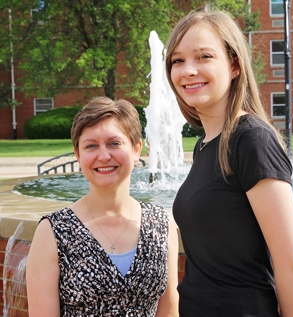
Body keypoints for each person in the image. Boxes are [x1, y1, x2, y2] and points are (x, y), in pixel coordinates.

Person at [165, 9, 293, 317]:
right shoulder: (204, 146)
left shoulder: (251, 140)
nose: (188, 70)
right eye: (178, 60)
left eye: (204, 56)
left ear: (234, 65)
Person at [26, 96, 179, 316]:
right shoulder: (52, 232)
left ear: (137, 149)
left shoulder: (161, 225)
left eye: (114, 143)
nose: (104, 156)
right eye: (91, 146)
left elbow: (169, 312)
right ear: (78, 154)